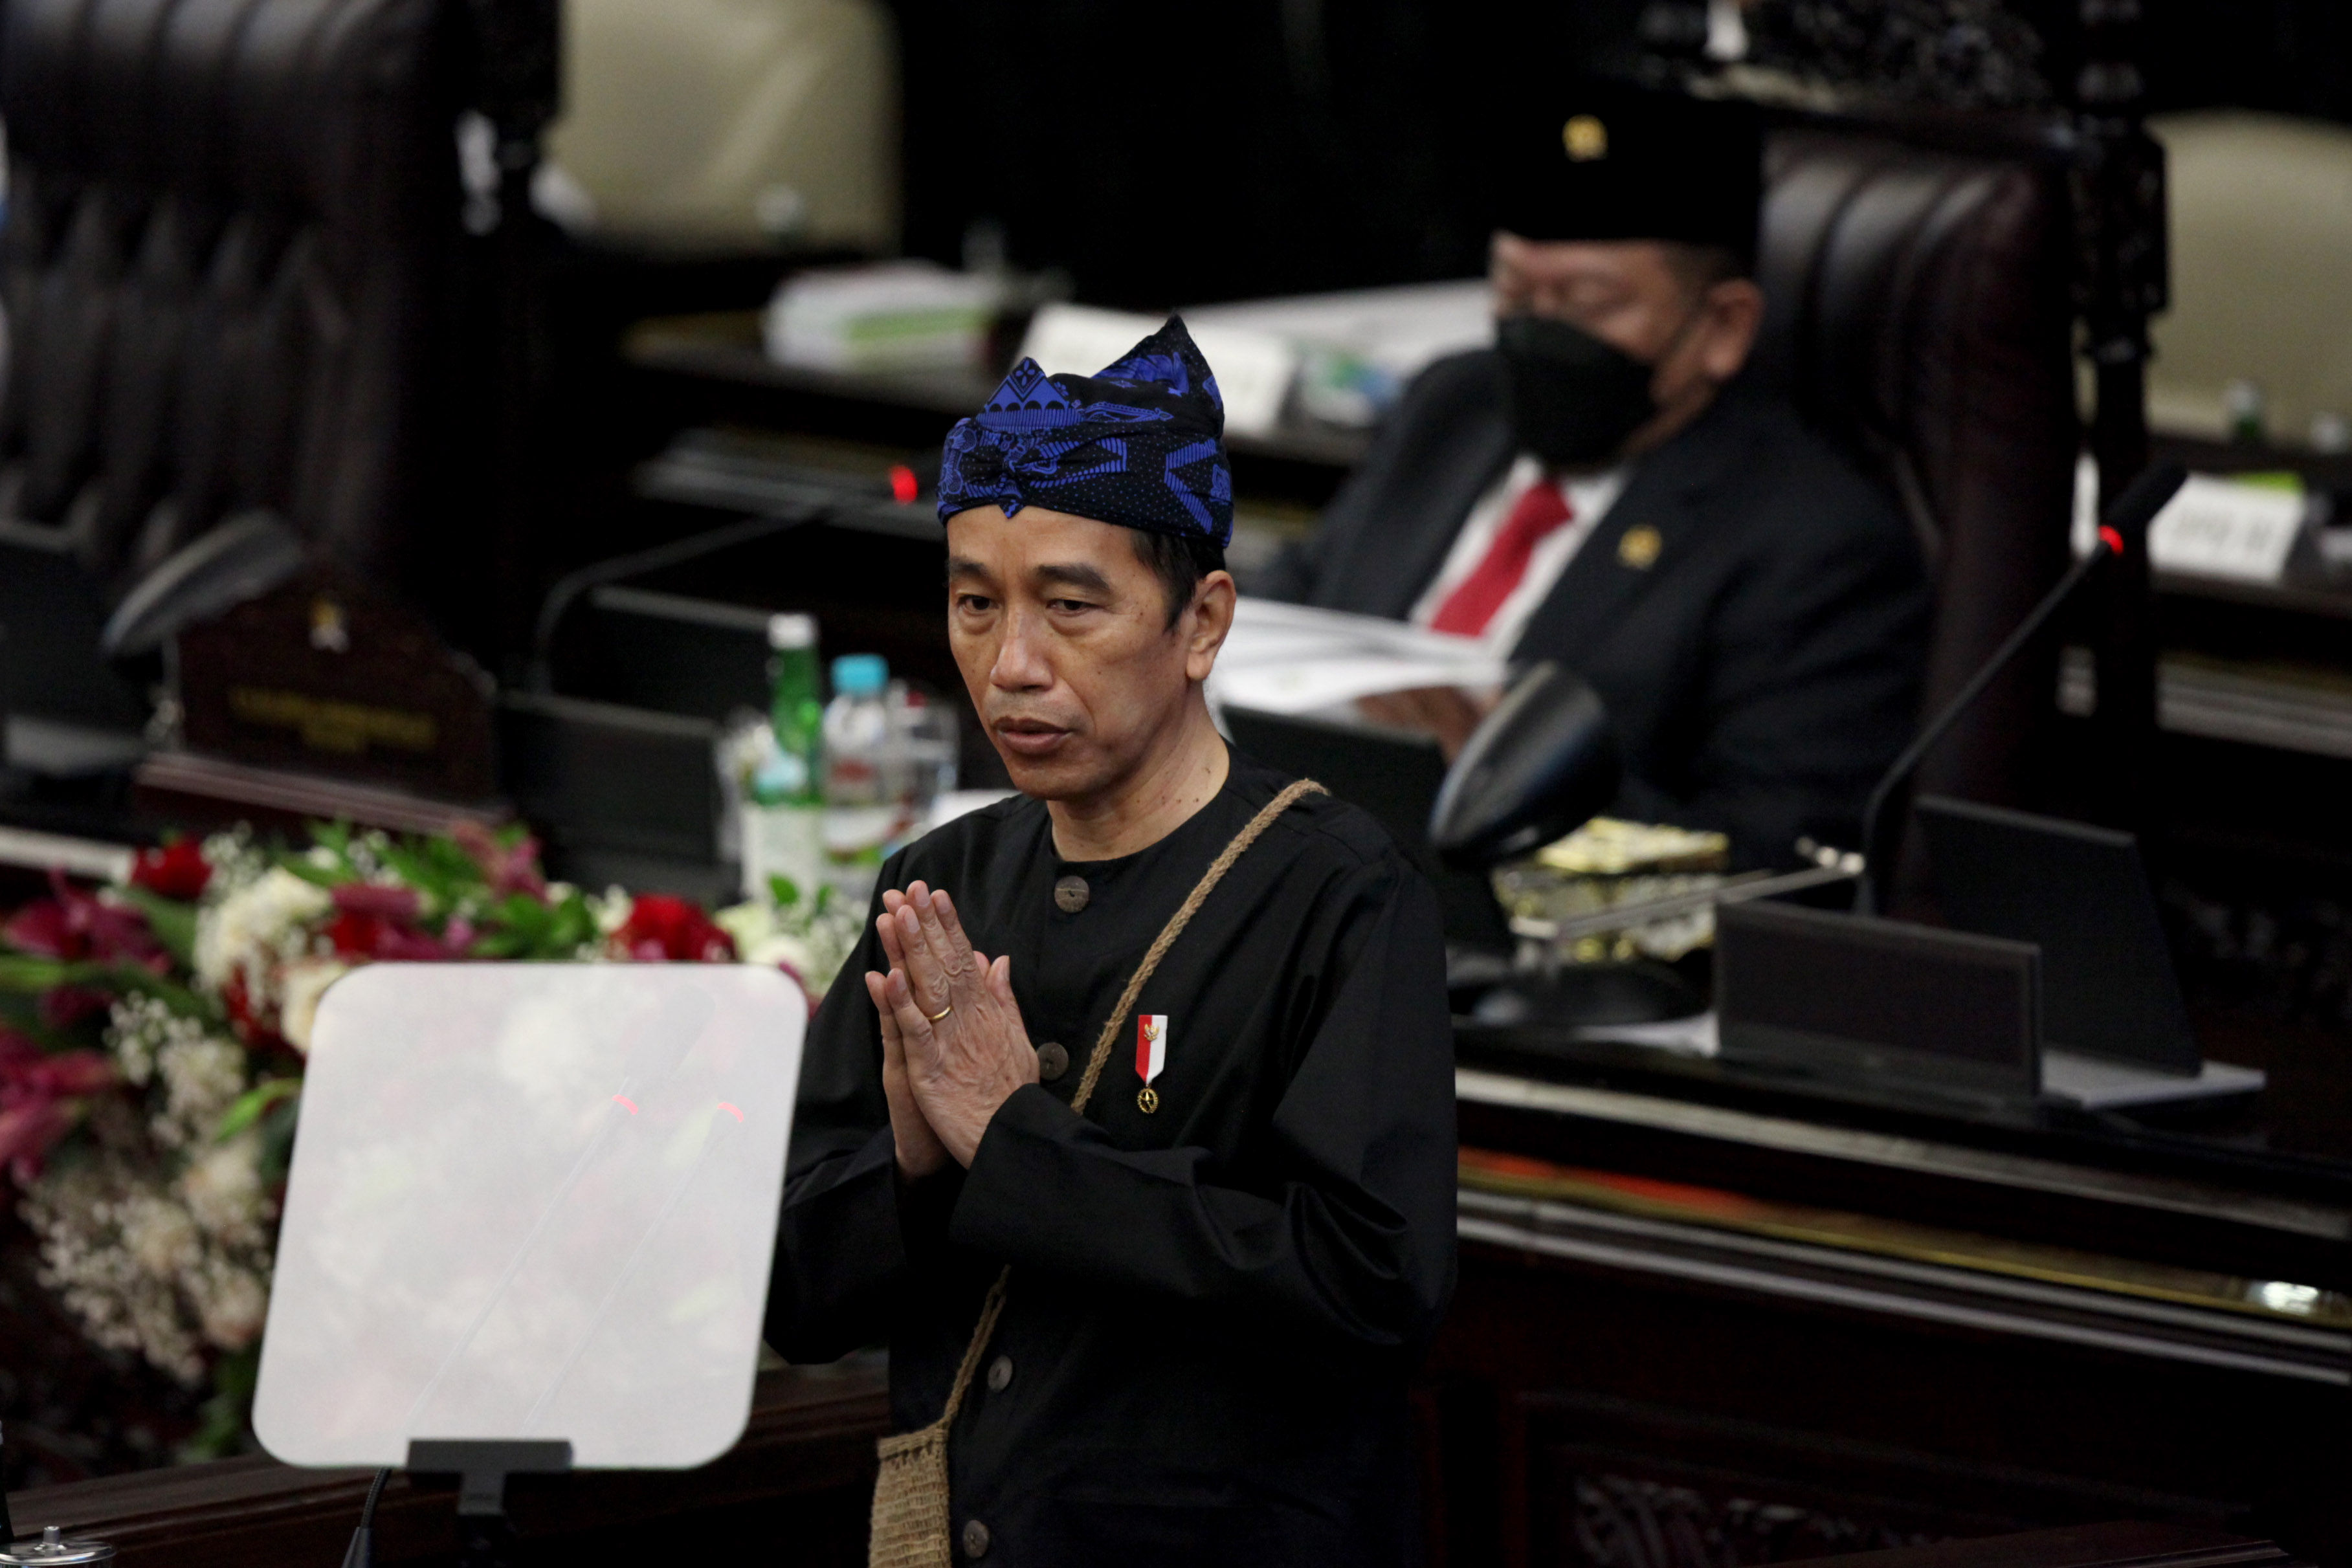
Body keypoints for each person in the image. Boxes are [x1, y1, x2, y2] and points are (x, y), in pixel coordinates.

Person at [767, 318, 1458, 1565]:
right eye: (974, 604)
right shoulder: (940, 882)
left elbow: (1368, 1290)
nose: (1012, 664)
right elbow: (788, 1288)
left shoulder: (1336, 892)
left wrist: (1012, 1140)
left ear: (1201, 623)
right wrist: (915, 1168)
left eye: (1070, 607)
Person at [1258, 80, 1931, 869]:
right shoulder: (1454, 406)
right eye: (1514, 292)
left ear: (1722, 326)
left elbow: (1771, 856)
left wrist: (1493, 771)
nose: (1539, 333)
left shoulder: (1811, 544)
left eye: (1586, 305)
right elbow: (1290, 601)